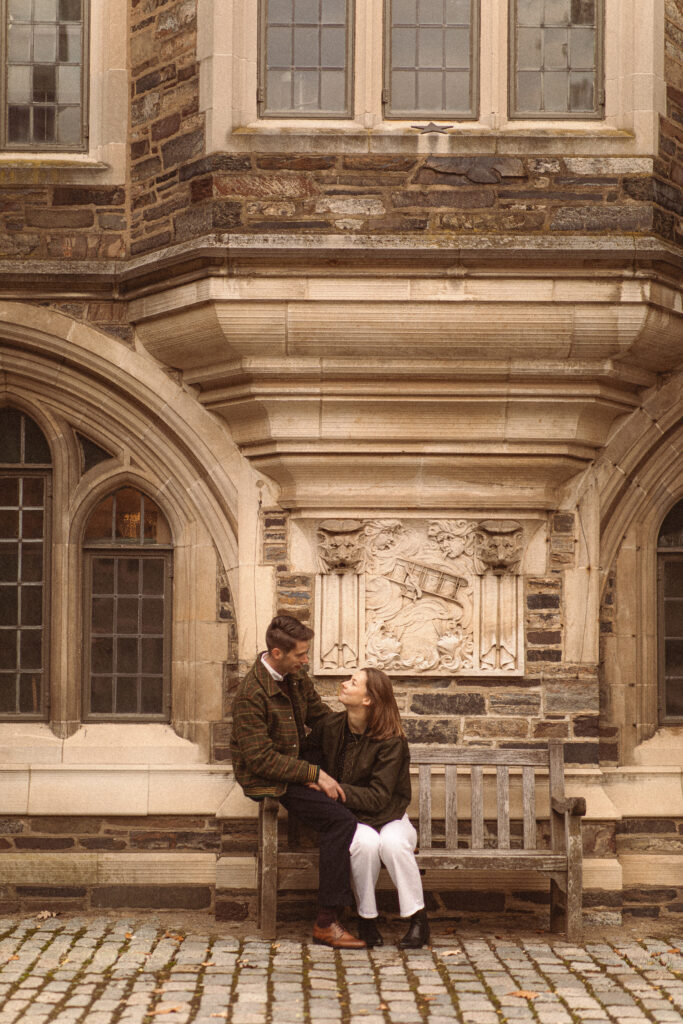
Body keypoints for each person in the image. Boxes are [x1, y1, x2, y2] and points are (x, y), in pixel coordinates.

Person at [230, 613, 365, 949]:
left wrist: (365, 725)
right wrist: (312, 774)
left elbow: (319, 717)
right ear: (277, 653)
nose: (306, 660)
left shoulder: (295, 675)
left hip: (298, 760)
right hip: (271, 778)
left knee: (349, 782)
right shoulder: (250, 694)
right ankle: (325, 922)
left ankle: (389, 827)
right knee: (339, 821)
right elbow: (259, 758)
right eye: (300, 655)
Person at [304, 666, 430, 949]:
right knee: (366, 845)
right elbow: (307, 758)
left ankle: (418, 918)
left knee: (394, 844)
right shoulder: (331, 727)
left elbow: (379, 798)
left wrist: (333, 789)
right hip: (352, 818)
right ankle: (367, 919)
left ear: (369, 699)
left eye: (353, 682)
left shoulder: (391, 741)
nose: (344, 684)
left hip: (390, 817)